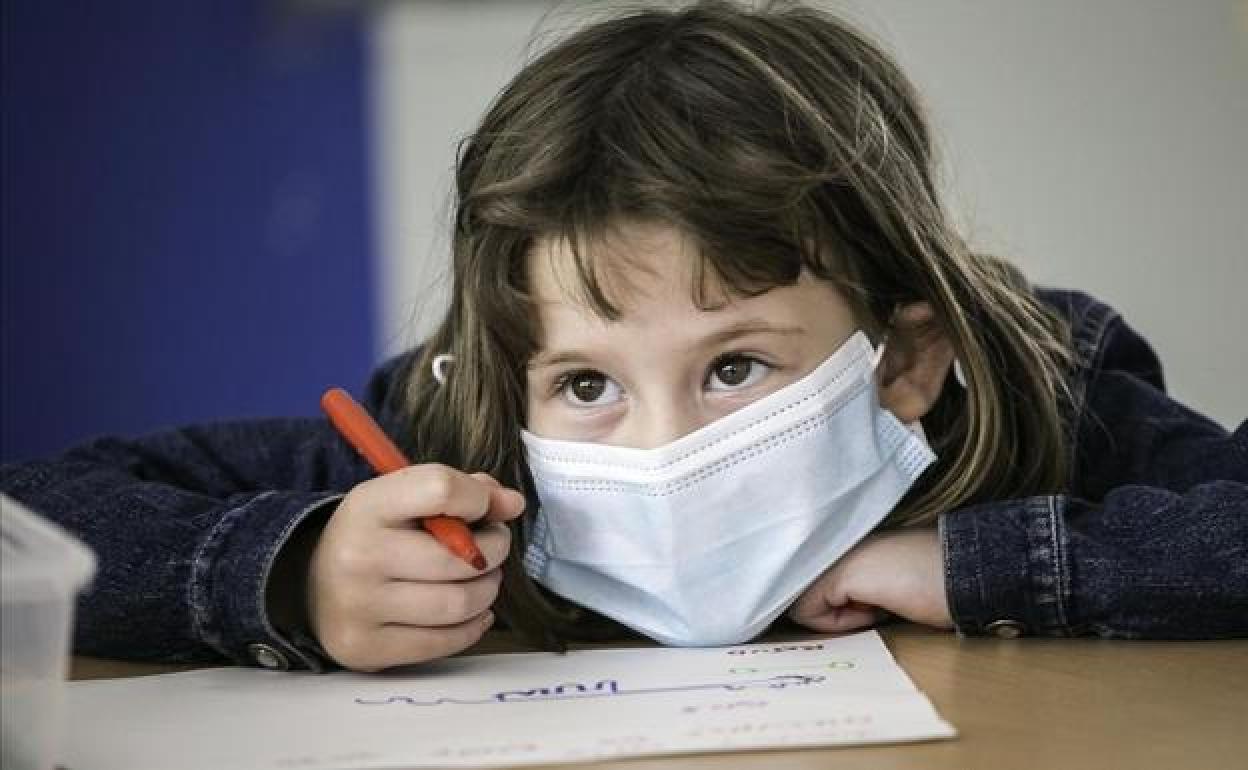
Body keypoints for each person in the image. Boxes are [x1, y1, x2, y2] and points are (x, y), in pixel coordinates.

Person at [2, 0, 1244, 673]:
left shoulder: (1040, 386)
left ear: (907, 358)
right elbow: (37, 512)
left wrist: (977, 567)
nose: (664, 446)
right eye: (588, 380)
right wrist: (296, 570)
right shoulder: (459, 439)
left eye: (737, 365)